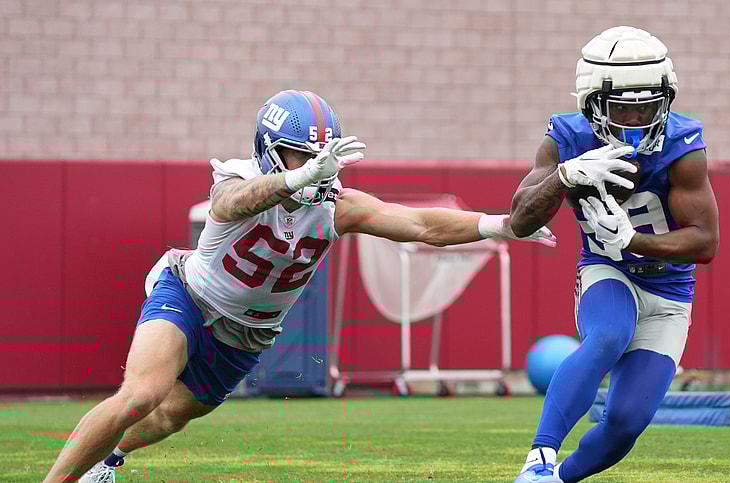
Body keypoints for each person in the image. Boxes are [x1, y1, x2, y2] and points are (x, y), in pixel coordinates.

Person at [44, 89, 557, 482]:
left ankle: (109, 459)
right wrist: (292, 180)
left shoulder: (336, 205)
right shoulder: (240, 178)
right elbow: (229, 205)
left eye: (319, 157)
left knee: (170, 418)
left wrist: (503, 225)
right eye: (296, 156)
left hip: (247, 335)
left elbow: (421, 225)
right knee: (141, 395)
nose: (312, 168)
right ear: (270, 154)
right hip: (189, 296)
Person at [509, 26, 720, 482]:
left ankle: (556, 479)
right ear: (592, 103)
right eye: (624, 105)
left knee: (627, 423)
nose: (639, 117)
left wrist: (634, 240)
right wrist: (563, 176)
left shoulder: (683, 148)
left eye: (649, 104)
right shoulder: (566, 138)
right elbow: (520, 220)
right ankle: (540, 457)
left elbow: (705, 242)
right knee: (609, 334)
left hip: (669, 292)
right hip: (609, 271)